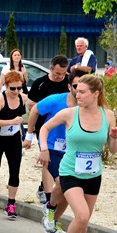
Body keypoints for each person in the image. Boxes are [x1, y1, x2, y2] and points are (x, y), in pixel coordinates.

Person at [38, 75, 117, 233]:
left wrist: (114, 138)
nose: (77, 94)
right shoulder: (69, 114)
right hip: (70, 172)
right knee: (82, 216)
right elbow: (45, 127)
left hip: (93, 174)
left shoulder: (108, 115)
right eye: (77, 90)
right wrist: (43, 148)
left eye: (82, 91)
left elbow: (113, 150)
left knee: (84, 223)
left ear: (96, 93)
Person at [28, 70, 80, 233]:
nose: (78, 90)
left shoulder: (86, 106)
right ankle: (50, 208)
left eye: (82, 86)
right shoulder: (56, 100)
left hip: (73, 151)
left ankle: (53, 221)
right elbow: (35, 109)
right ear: (68, 86)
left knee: (68, 190)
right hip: (52, 148)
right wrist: (29, 134)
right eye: (75, 86)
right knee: (64, 182)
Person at [27, 55, 71, 206]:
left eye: (63, 73)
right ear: (51, 69)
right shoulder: (40, 83)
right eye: (57, 73)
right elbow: (32, 106)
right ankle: (48, 194)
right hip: (45, 128)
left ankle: (47, 187)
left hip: (66, 129)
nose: (60, 76)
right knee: (48, 159)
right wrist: (30, 132)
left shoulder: (70, 83)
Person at [0, 69, 27, 217]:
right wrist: (11, 122)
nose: (16, 91)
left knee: (15, 170)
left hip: (13, 139)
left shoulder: (22, 98)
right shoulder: (0, 99)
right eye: (12, 88)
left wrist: (24, 131)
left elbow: (34, 108)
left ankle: (11, 204)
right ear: (6, 86)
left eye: (19, 88)